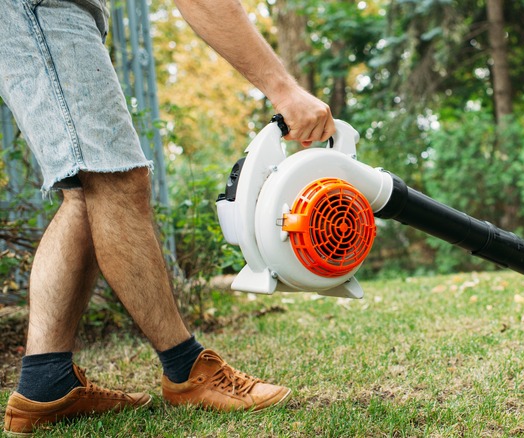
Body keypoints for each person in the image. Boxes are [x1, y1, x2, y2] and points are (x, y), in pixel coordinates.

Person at [1, 0, 336, 434]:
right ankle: (186, 371)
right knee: (118, 181)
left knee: (86, 192)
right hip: (43, 7)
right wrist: (285, 90)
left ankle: (46, 386)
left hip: (55, 12)